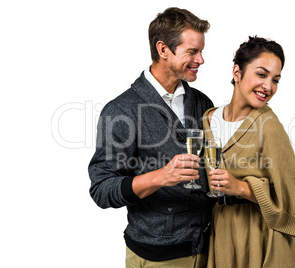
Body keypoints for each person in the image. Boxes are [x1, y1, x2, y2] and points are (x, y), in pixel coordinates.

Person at [88, 7, 214, 267]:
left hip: (209, 250)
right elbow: (102, 190)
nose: (201, 59)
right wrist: (161, 177)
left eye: (201, 51)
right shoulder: (121, 110)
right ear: (163, 49)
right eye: (192, 51)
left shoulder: (202, 102)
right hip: (157, 258)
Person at [203, 36, 295, 267]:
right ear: (237, 72)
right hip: (222, 233)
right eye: (261, 74)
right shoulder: (208, 121)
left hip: (263, 236)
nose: (268, 87)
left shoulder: (269, 126)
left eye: (275, 79)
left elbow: (289, 199)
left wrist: (239, 187)